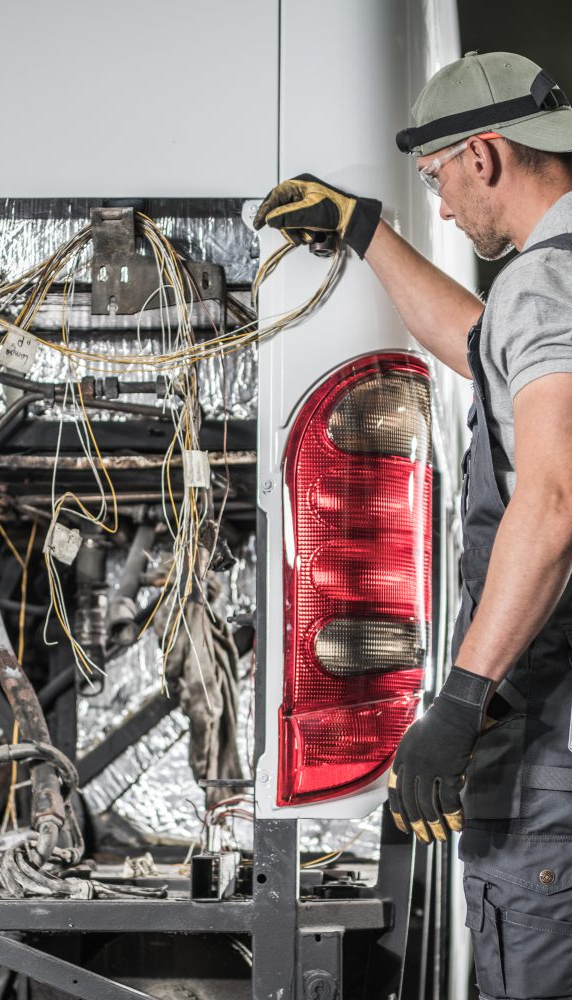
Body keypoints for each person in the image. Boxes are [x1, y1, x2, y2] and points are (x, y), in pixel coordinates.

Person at [254, 51, 572, 1000]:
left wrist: (461, 701)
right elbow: (486, 349)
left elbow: (553, 501)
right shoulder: (548, 289)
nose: (441, 207)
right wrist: (366, 232)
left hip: (554, 756)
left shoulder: (545, 286)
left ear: (484, 156)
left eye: (436, 181)